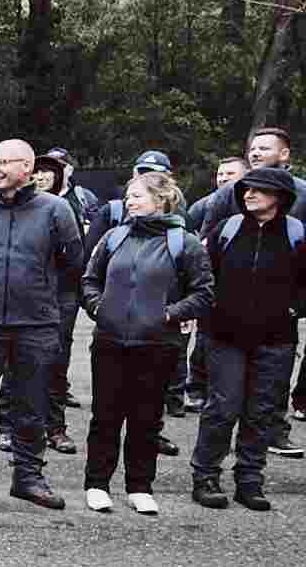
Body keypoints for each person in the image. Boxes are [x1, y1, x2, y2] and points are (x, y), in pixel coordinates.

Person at [0, 140, 82, 511]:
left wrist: (47, 304)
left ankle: (28, 477)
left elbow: (73, 264)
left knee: (32, 405)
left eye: (5, 162)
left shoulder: (56, 210)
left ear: (27, 168)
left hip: (36, 325)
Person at [79, 171, 213, 514]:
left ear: (162, 199)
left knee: (147, 417)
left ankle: (140, 486)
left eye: (137, 195)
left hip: (157, 345)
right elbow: (89, 280)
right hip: (109, 340)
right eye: (129, 196)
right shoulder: (114, 236)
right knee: (105, 416)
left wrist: (166, 314)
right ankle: (97, 483)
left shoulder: (185, 242)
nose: (130, 201)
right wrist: (98, 307)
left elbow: (203, 293)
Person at [189, 166, 306, 511]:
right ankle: (206, 476)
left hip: (276, 339)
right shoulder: (227, 228)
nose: (248, 194)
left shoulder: (298, 233)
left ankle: (250, 480)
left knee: (261, 412)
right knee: (222, 408)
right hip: (224, 335)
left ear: (280, 197)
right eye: (246, 189)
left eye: (258, 189)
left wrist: (293, 311)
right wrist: (206, 310)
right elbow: (202, 272)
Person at [29, 151, 91, 453]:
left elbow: (76, 256)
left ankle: (55, 428)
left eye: (47, 172)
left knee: (56, 362)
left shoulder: (66, 208)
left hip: (60, 297)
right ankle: (10, 427)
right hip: (22, 298)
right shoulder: (16, 207)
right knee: (16, 367)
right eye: (36, 171)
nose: (41, 177)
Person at [181, 155, 249, 416]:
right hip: (213, 278)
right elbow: (190, 228)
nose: (222, 179)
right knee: (205, 337)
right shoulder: (209, 202)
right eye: (220, 174)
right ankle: (196, 388)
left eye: (229, 174)